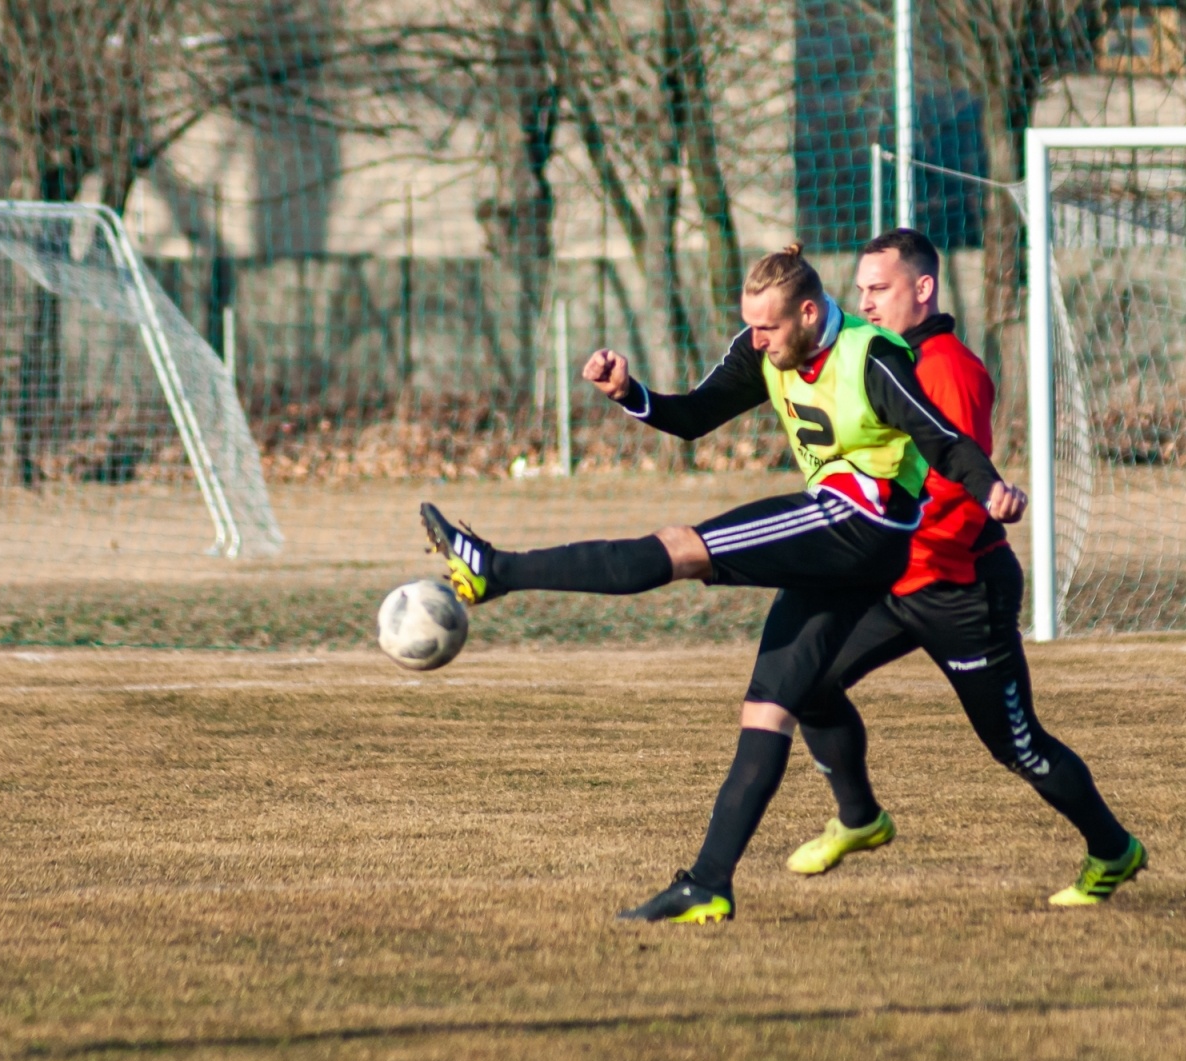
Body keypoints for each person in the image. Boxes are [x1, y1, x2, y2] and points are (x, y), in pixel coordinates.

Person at [420, 243, 1026, 923]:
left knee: (685, 549)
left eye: (769, 328)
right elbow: (694, 417)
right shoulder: (765, 346)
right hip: (839, 538)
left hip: (864, 522)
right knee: (769, 704)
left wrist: (992, 488)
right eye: (751, 326)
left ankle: (495, 570)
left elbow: (943, 438)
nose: (758, 342)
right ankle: (709, 881)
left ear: (807, 311)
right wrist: (632, 394)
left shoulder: (873, 355)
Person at [777, 229, 1146, 908]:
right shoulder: (875, 354)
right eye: (859, 290)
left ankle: (1113, 850)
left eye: (878, 289)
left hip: (959, 588)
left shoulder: (947, 368)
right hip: (895, 580)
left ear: (923, 290)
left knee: (1018, 747)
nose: (865, 302)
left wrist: (870, 540)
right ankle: (860, 819)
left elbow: (961, 491)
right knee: (804, 685)